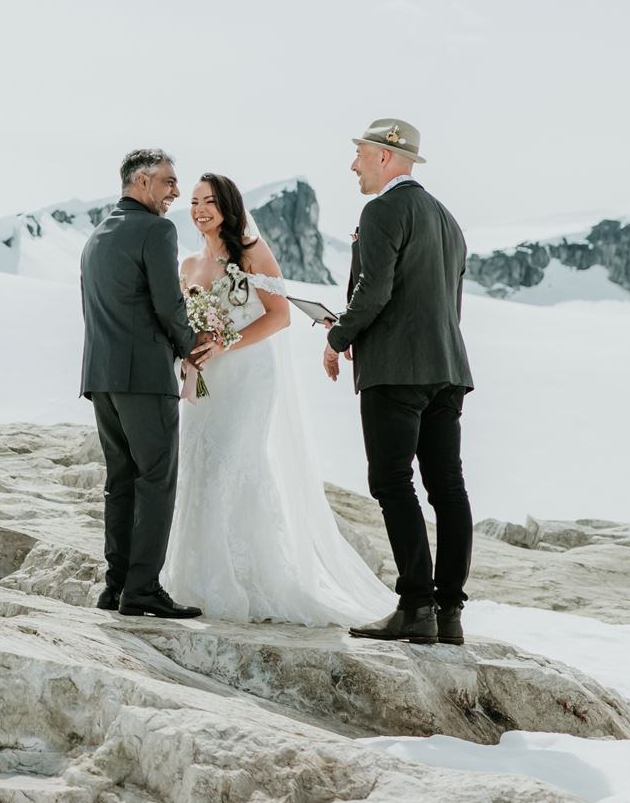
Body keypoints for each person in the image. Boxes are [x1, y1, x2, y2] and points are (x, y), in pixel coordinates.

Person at [161, 174, 400, 625]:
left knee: (233, 463)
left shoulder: (251, 253)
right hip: (206, 379)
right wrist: (191, 348)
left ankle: (250, 579)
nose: (200, 210)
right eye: (194, 202)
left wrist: (225, 343)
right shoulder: (189, 264)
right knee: (199, 464)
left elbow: (281, 316)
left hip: (248, 376)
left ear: (228, 207)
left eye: (210, 201)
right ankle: (195, 578)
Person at [323, 120, 475, 646]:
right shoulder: (448, 219)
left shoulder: (383, 209)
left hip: (397, 371)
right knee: (447, 488)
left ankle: (415, 607)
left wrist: (338, 336)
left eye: (360, 153)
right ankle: (449, 613)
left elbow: (375, 289)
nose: (354, 164)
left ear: (386, 156)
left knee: (391, 482)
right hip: (448, 369)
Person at [78, 148, 207, 620]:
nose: (176, 192)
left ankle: (116, 588)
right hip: (144, 377)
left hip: (101, 376)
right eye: (170, 182)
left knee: (121, 483)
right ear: (142, 182)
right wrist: (192, 343)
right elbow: (168, 304)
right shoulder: (156, 229)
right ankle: (144, 589)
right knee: (156, 480)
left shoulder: (98, 233)